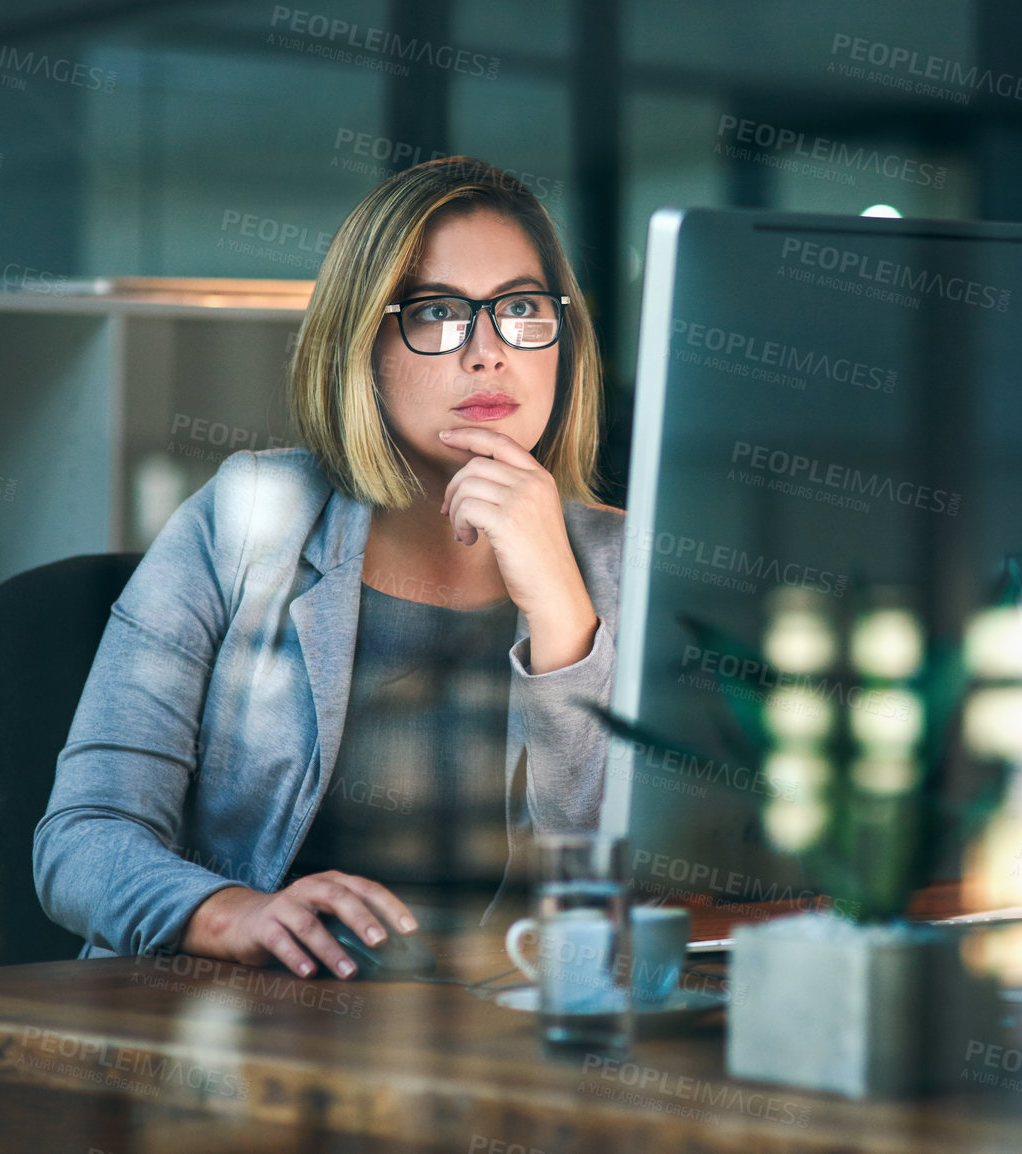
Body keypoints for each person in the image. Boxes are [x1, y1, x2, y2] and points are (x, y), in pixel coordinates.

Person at [34, 156, 623, 980]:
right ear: (362, 341)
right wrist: (233, 913)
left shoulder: (623, 565)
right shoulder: (246, 517)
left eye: (521, 308)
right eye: (436, 312)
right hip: (241, 1031)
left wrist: (566, 622)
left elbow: (640, 891)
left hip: (501, 1039)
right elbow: (81, 841)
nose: (489, 352)